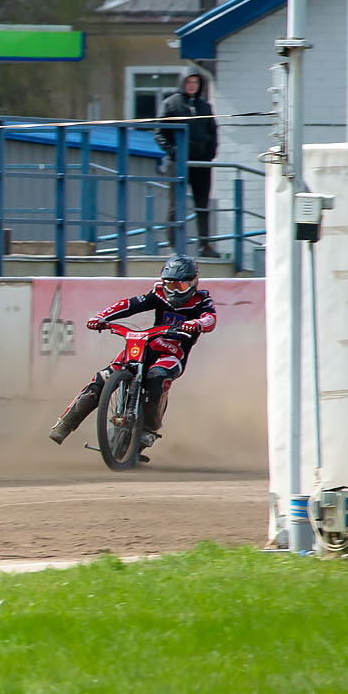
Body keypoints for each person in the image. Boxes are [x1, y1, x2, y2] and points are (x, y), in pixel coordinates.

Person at [46, 255, 216, 454]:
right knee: (104, 377)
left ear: (194, 281)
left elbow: (209, 319)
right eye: (170, 285)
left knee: (156, 377)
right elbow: (130, 304)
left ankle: (149, 430)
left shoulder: (202, 300)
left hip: (173, 353)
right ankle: (65, 423)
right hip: (148, 344)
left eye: (181, 285)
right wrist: (101, 317)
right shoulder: (158, 294)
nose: (174, 291)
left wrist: (197, 323)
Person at [157, 70, 218, 253]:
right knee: (176, 205)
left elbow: (212, 131)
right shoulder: (170, 104)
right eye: (189, 81)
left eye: (196, 82)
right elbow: (159, 132)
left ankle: (205, 245)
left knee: (202, 205)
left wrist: (210, 153)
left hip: (202, 164)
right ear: (182, 83)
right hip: (179, 163)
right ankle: (173, 245)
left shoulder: (205, 106)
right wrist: (174, 152)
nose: (192, 85)